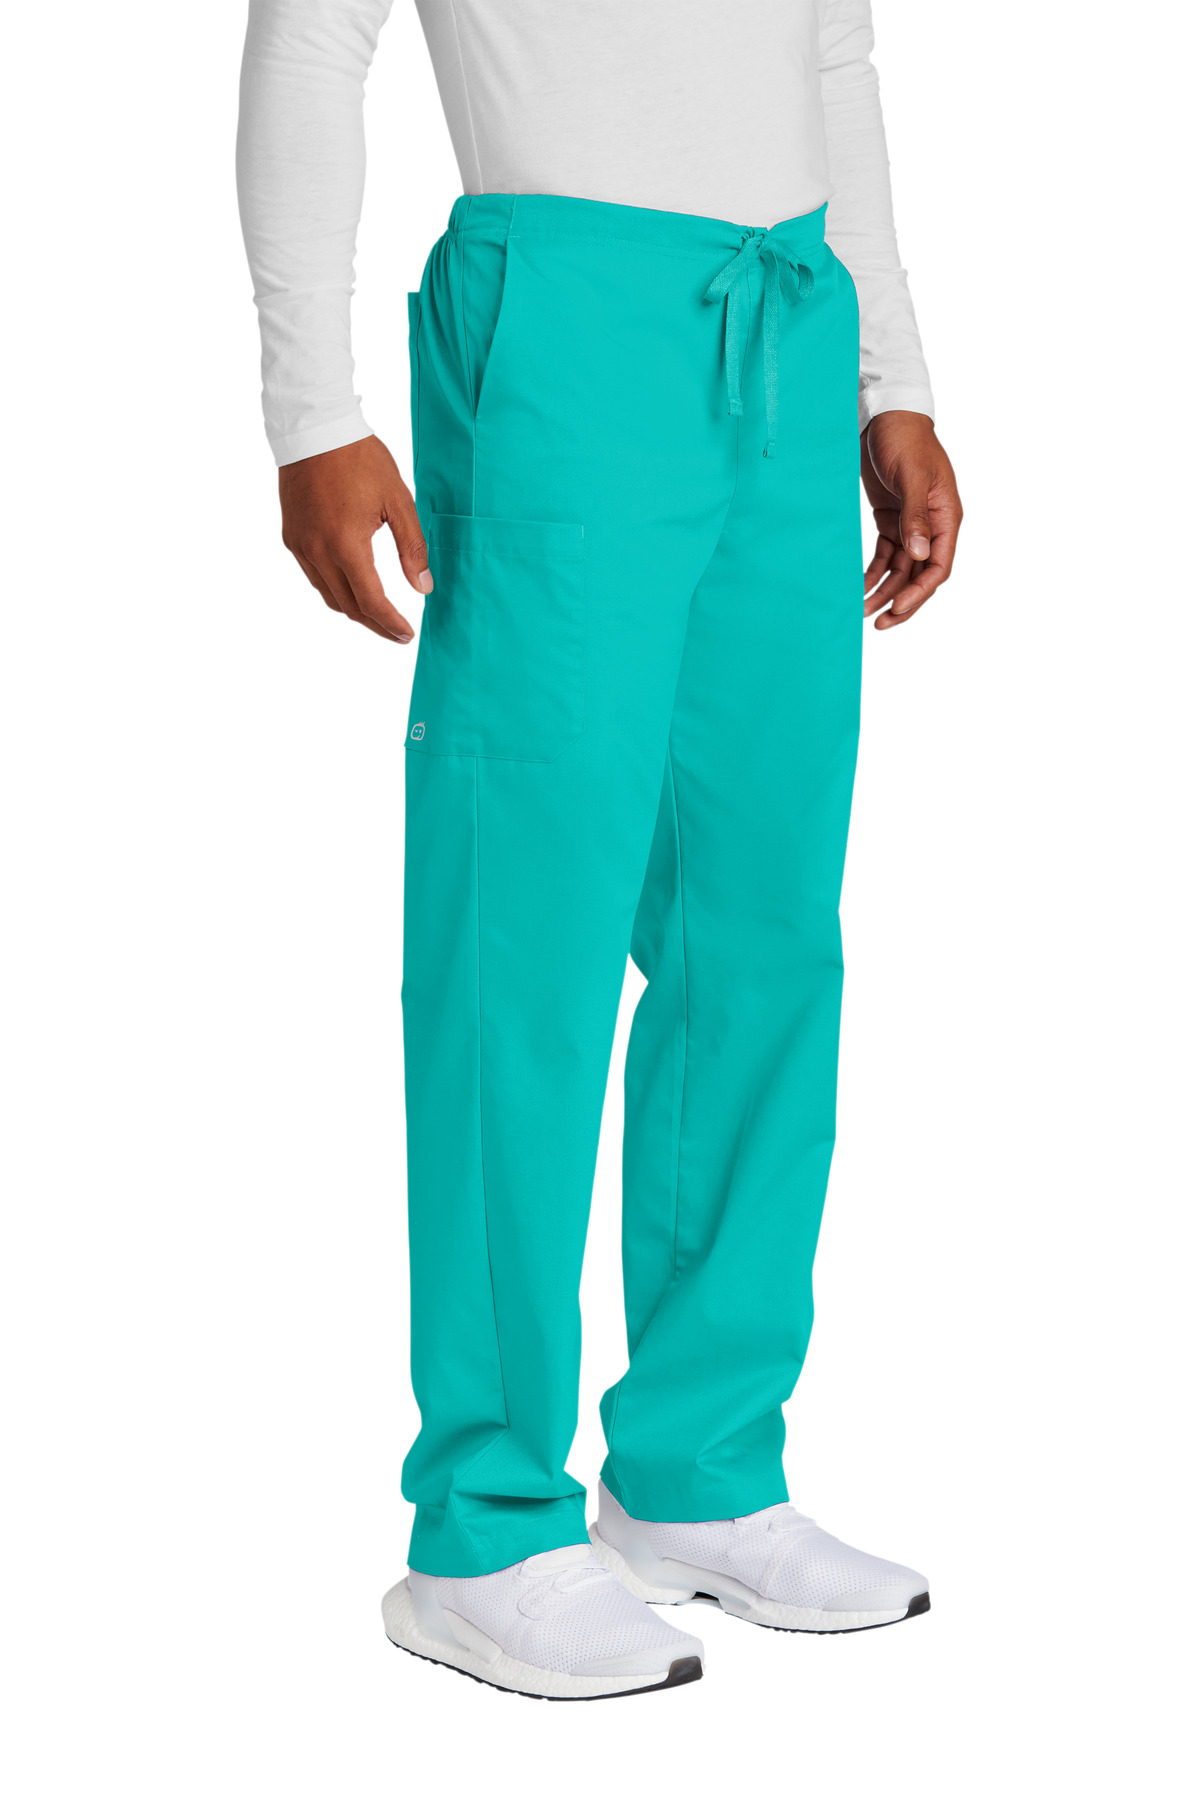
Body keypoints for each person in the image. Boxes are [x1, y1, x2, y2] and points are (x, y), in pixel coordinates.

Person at [237, 0, 962, 1700]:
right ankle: (482, 1527)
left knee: (758, 936)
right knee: (526, 944)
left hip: (791, 315)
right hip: (563, 325)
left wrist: (894, 380)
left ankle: (699, 1468)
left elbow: (831, 58)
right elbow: (310, 37)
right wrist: (311, 412)